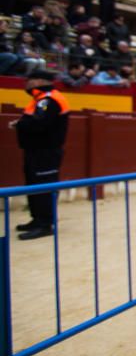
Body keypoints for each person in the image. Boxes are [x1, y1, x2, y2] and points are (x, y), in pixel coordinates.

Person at [11, 70, 70, 239]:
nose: (26, 83)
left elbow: (40, 124)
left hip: (46, 151)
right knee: (34, 185)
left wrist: (20, 125)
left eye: (29, 80)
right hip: (37, 150)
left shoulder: (48, 100)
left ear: (38, 82)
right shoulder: (41, 99)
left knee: (44, 185)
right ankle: (37, 219)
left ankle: (46, 223)